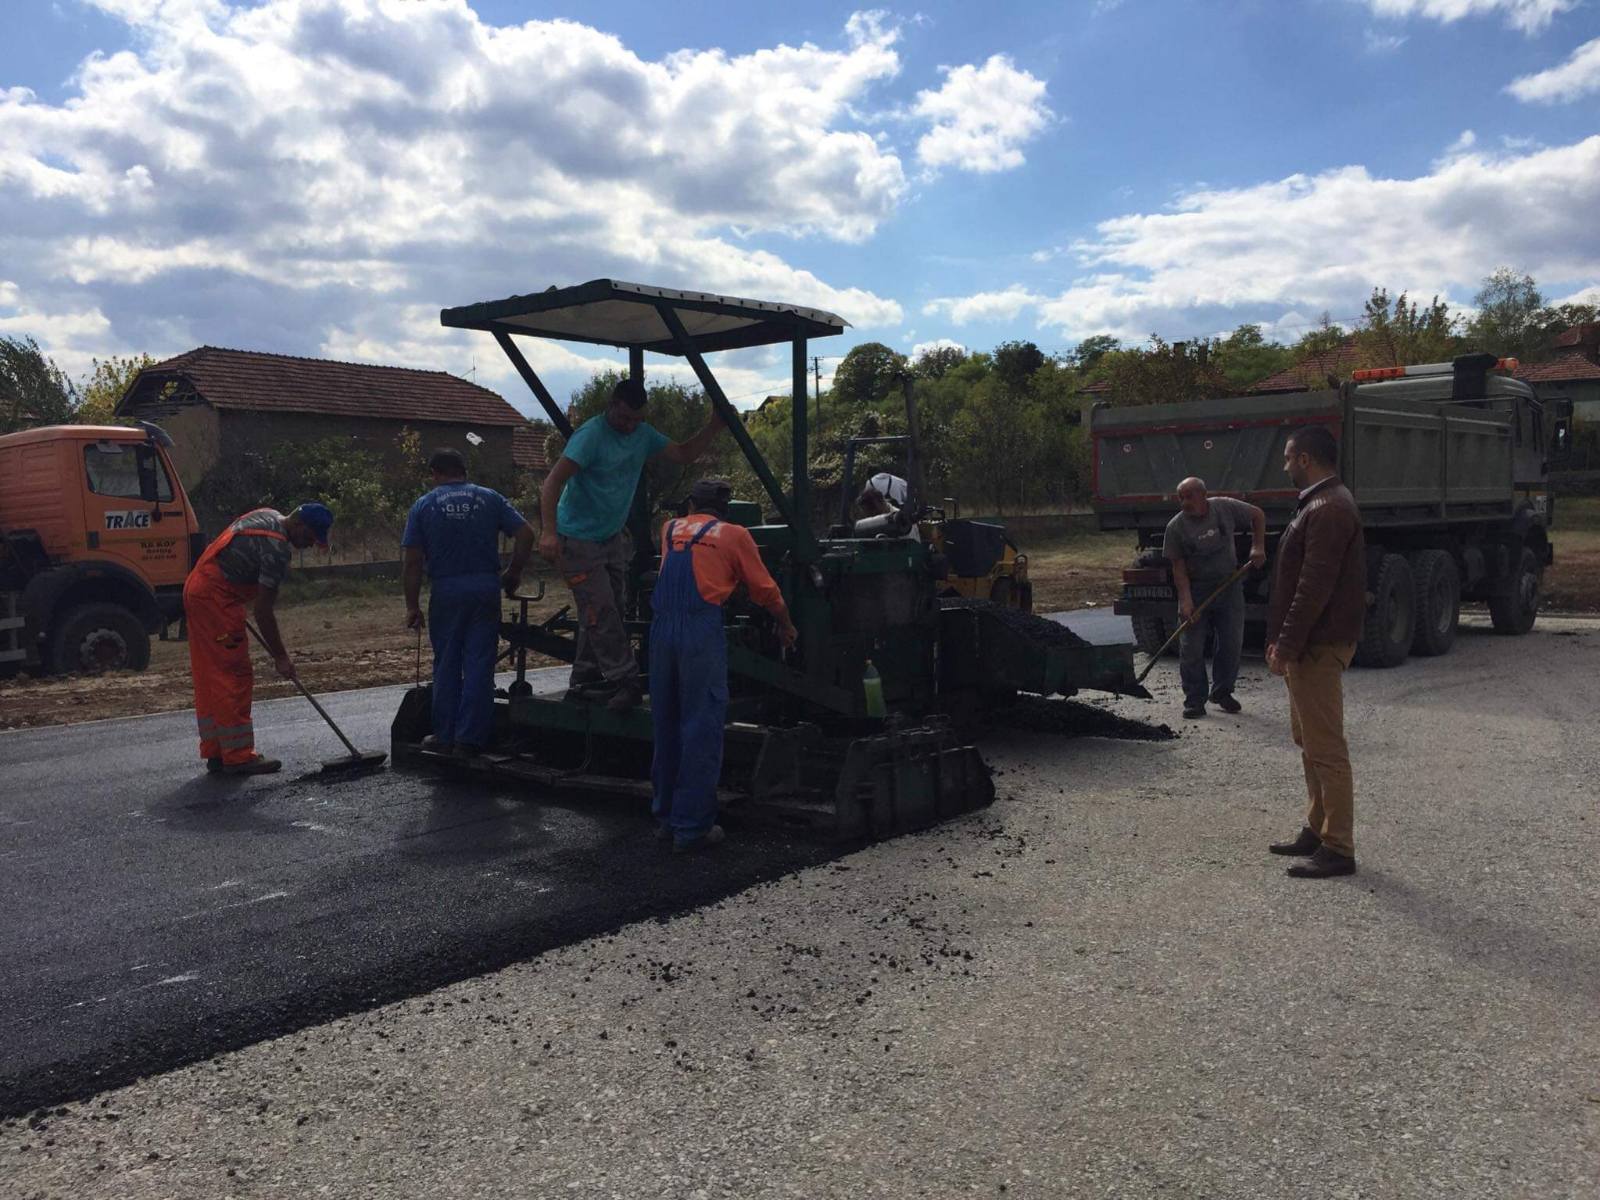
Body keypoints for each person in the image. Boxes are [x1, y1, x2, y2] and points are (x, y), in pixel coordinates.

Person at [538, 378, 724, 711]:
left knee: (603, 611)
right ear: (611, 406)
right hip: (576, 537)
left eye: (636, 419)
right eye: (624, 418)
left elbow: (683, 454)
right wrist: (549, 532)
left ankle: (583, 679)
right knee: (601, 609)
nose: (629, 426)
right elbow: (552, 483)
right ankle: (626, 681)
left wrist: (713, 426)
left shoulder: (643, 434)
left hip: (610, 537)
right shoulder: (591, 436)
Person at [651, 478, 797, 853]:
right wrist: (785, 624)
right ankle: (693, 828)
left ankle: (666, 818)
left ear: (689, 503)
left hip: (662, 630)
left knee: (666, 722)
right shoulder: (734, 535)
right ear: (725, 508)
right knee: (701, 724)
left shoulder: (668, 529)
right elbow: (765, 591)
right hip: (700, 630)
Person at [1265, 425, 1367, 880]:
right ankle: (1317, 827)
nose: (1285, 466)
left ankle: (1338, 848)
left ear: (1305, 459)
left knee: (1326, 748)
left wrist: (1286, 645)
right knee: (1309, 742)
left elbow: (1313, 588)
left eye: (1289, 458)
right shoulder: (1322, 504)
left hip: (1318, 645)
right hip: (1309, 644)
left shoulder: (1328, 508)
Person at [402, 448, 536, 756]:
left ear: (436, 474)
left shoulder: (423, 505)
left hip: (447, 590)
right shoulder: (490, 498)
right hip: (484, 588)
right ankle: (471, 739)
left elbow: (412, 562)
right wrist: (513, 571)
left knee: (447, 662)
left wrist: (412, 605)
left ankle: (445, 735)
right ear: (463, 471)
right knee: (479, 662)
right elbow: (526, 534)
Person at [183, 503, 334, 776]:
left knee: (211, 675)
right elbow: (263, 610)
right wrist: (281, 657)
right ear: (299, 525)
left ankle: (217, 752)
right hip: (217, 598)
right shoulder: (277, 550)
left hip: (200, 589)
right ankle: (238, 756)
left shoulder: (267, 515)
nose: (311, 545)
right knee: (233, 674)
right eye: (311, 537)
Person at [1162, 477, 1266, 719]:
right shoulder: (1175, 528)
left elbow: (1257, 515)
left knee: (1231, 641)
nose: (1185, 502)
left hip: (1228, 585)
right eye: (1181, 498)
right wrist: (1186, 602)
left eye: (1190, 496)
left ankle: (1222, 692)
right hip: (1196, 590)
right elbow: (1178, 570)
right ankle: (1194, 700)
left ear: (1203, 495)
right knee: (1192, 647)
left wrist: (1258, 546)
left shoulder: (1224, 508)